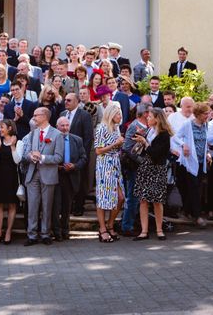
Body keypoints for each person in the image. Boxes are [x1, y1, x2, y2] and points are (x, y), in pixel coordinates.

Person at [21, 107, 65, 246]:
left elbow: (59, 157)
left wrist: (43, 157)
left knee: (47, 205)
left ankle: (46, 234)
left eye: (36, 115)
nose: (33, 118)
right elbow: (26, 152)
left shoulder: (57, 134)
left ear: (45, 116)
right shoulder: (33, 133)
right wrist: (31, 157)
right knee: (32, 206)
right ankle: (32, 235)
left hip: (48, 174)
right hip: (33, 174)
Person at [132, 108, 173, 241]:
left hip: (157, 168)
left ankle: (159, 230)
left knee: (157, 200)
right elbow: (145, 152)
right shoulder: (149, 131)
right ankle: (144, 231)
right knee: (143, 200)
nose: (147, 119)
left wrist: (145, 143)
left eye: (150, 117)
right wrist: (141, 140)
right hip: (145, 167)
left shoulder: (164, 134)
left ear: (157, 118)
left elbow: (156, 154)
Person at [174, 102, 211, 227]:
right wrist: (184, 145)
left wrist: (208, 153)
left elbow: (205, 142)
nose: (208, 116)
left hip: (201, 161)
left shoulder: (206, 125)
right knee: (194, 188)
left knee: (197, 187)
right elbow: (176, 137)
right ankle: (197, 216)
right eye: (206, 114)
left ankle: (187, 211)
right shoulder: (188, 124)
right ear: (199, 114)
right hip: (190, 162)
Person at [52, 116, 87, 242]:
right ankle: (56, 232)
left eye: (67, 125)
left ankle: (65, 230)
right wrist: (57, 166)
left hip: (71, 176)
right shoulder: (52, 139)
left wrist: (75, 166)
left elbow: (83, 158)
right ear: (57, 127)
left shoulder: (77, 140)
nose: (65, 128)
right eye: (62, 125)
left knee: (67, 206)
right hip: (56, 176)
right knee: (56, 206)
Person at [94, 104, 125, 243]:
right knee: (103, 197)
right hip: (104, 164)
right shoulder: (101, 128)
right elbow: (98, 150)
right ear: (111, 115)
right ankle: (102, 228)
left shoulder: (116, 128)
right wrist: (115, 144)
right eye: (118, 114)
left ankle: (110, 224)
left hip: (115, 164)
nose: (120, 117)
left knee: (120, 197)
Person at [119, 103, 149, 236]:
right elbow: (127, 148)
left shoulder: (145, 126)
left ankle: (130, 223)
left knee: (136, 196)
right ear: (144, 114)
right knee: (132, 196)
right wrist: (142, 162)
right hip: (133, 166)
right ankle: (126, 226)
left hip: (138, 166)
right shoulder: (135, 126)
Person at [0, 120, 21, 245]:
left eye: (2, 127)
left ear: (9, 128)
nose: (0, 130)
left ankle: (8, 231)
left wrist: (12, 146)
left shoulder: (19, 142)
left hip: (12, 176)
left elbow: (17, 161)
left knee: (12, 204)